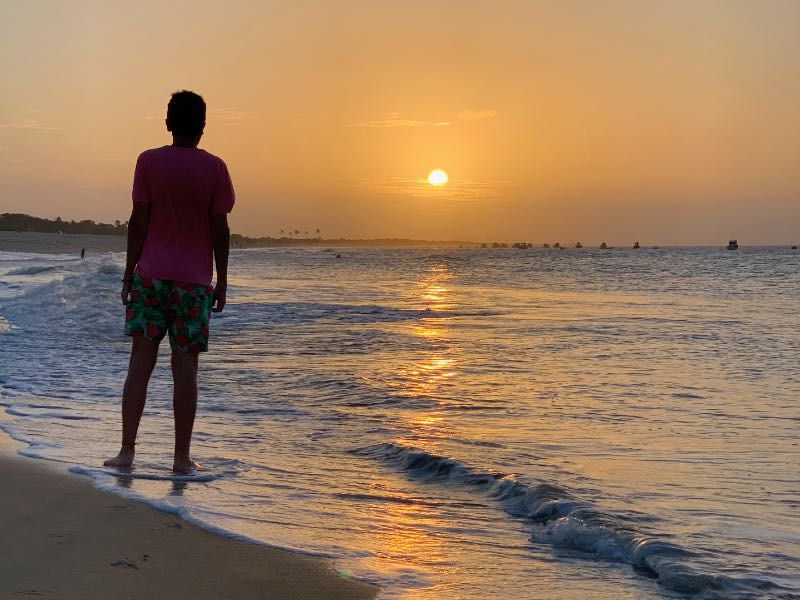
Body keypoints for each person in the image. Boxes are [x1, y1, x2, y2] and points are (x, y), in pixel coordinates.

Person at [104, 90, 234, 474]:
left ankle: (127, 451)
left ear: (167, 123)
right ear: (203, 127)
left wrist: (129, 274)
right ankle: (180, 458)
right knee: (185, 369)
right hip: (193, 283)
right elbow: (219, 230)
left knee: (140, 362)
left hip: (150, 277)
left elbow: (138, 222)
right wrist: (222, 279)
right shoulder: (215, 169)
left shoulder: (148, 162)